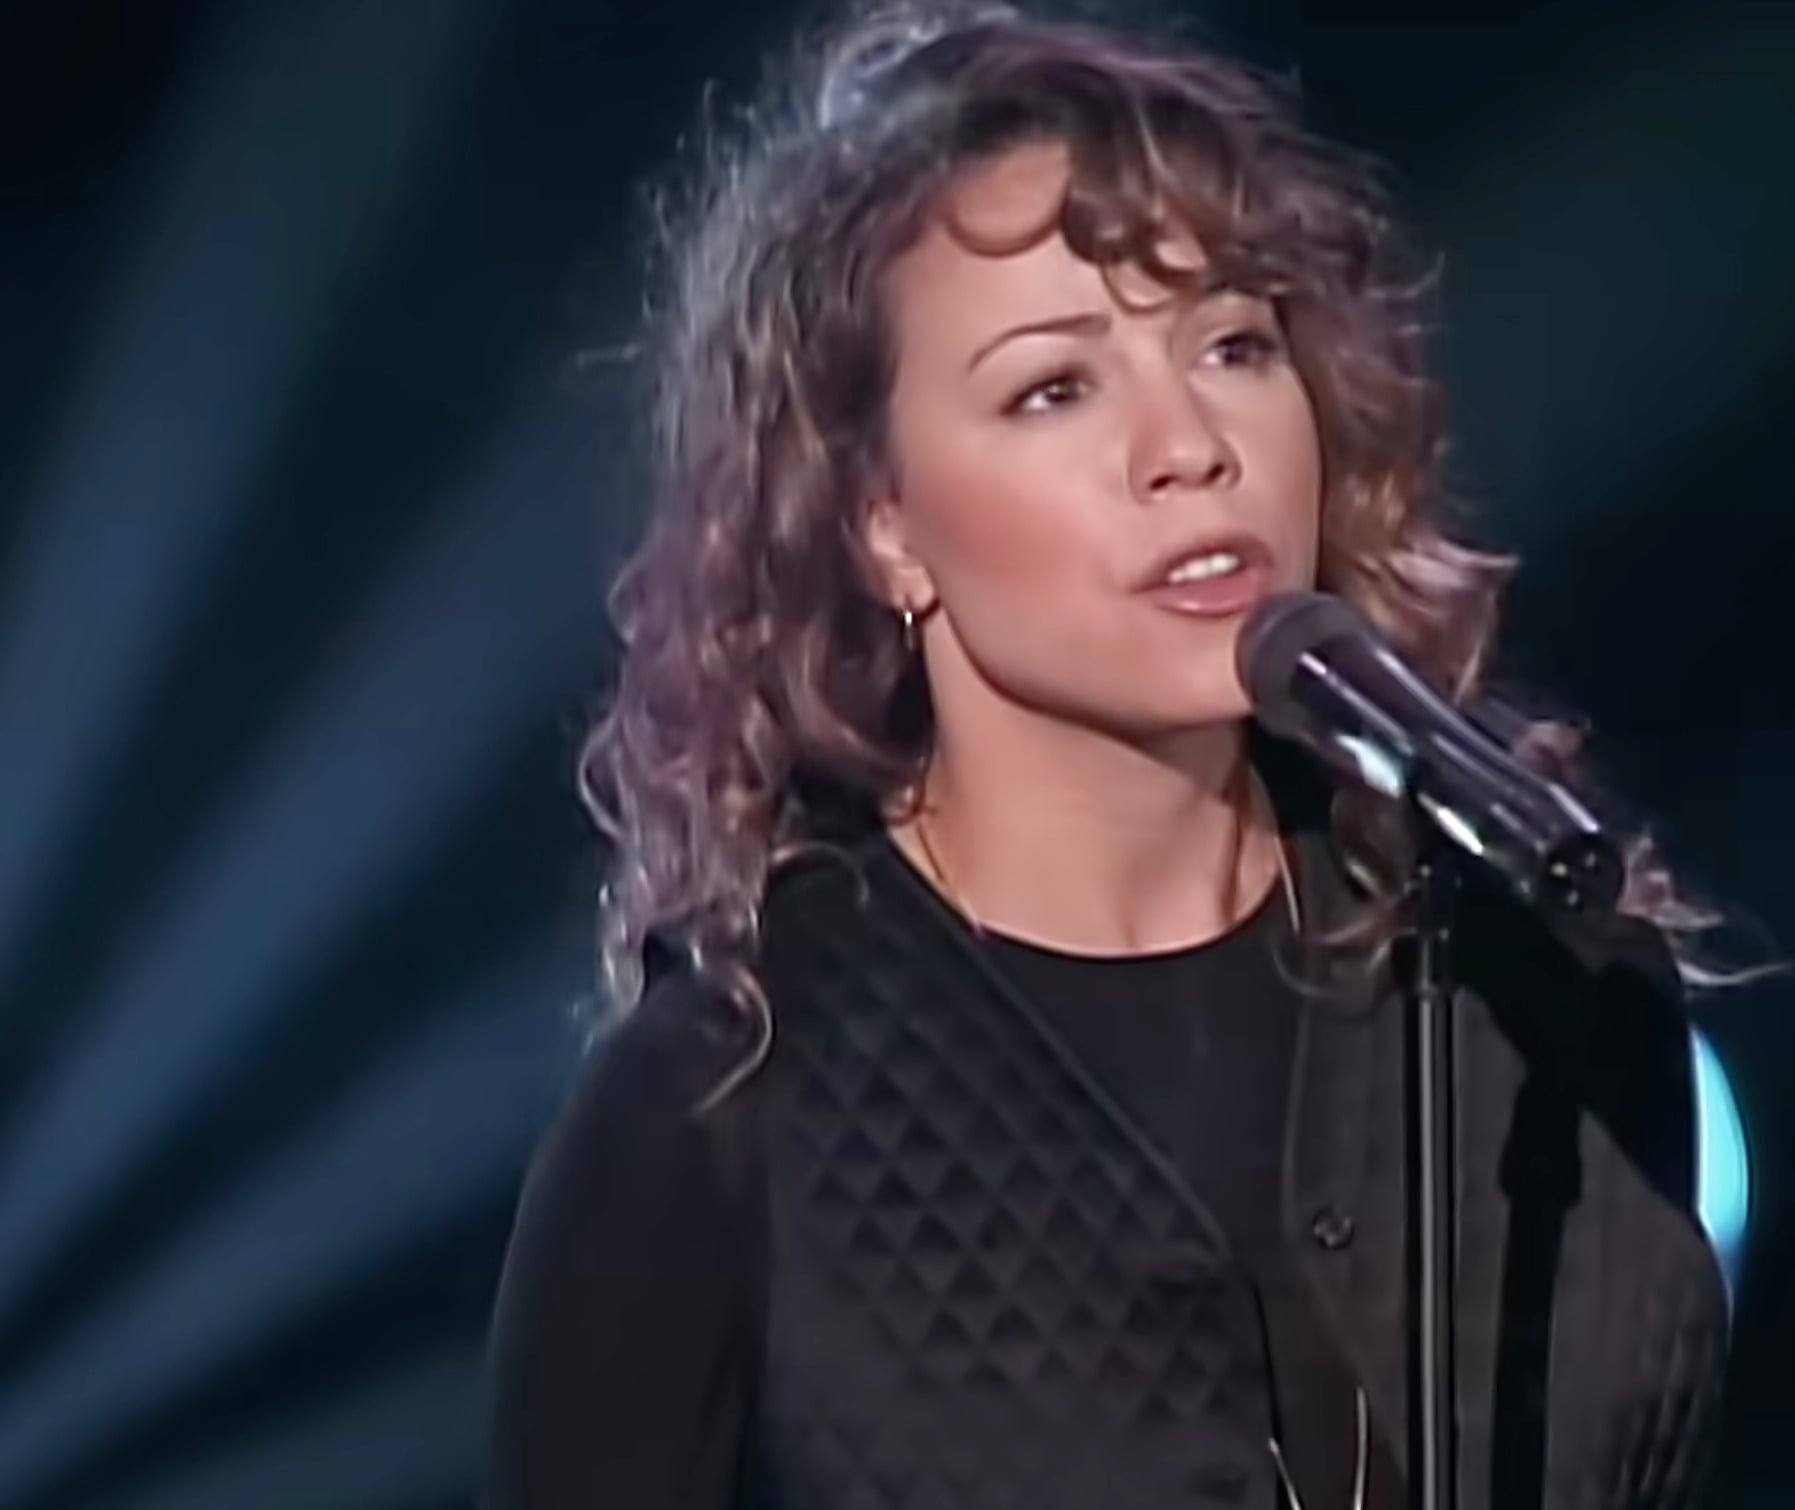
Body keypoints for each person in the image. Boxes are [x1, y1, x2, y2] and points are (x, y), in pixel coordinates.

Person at [482, 5, 1731, 1507]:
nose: (1189, 445)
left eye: (1234, 346)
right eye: (1053, 389)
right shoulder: (720, 1103)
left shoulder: (1532, 985)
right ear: (882, 525)